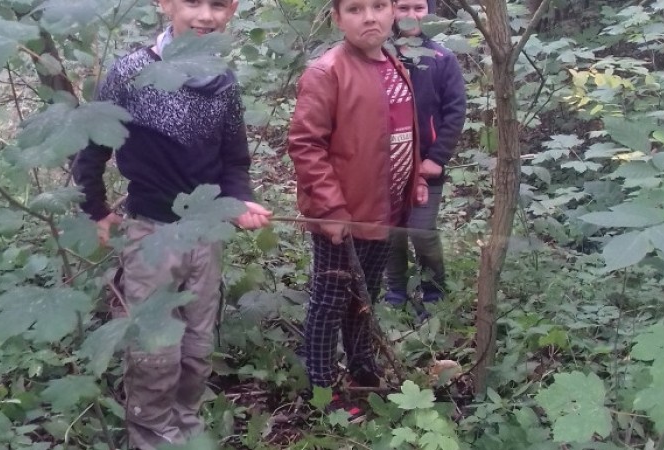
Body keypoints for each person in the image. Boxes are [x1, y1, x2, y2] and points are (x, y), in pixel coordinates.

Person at [72, 0, 271, 447]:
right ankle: (151, 435)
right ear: (166, 4)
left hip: (205, 234)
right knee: (155, 351)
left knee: (197, 346)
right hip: (150, 234)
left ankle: (186, 427)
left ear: (232, 10)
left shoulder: (223, 81)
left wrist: (240, 200)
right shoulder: (131, 72)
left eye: (217, 4)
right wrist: (97, 210)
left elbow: (234, 160)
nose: (205, 15)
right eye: (192, 2)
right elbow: (93, 146)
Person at [287, 0, 428, 420]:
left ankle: (363, 370)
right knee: (330, 300)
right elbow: (306, 144)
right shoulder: (327, 72)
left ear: (392, 12)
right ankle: (320, 387)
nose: (369, 17)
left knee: (365, 295)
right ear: (337, 18)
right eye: (355, 8)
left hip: (385, 210)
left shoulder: (395, 65)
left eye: (378, 6)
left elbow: (400, 132)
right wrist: (331, 207)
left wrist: (416, 180)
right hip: (344, 215)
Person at [384, 0, 466, 308]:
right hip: (388, 164)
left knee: (421, 230)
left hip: (426, 165)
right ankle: (396, 292)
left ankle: (433, 293)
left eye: (418, 8)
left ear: (430, 11)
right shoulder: (382, 56)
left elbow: (455, 112)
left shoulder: (443, 59)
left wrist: (437, 158)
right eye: (403, 8)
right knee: (390, 231)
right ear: (392, 11)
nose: (410, 16)